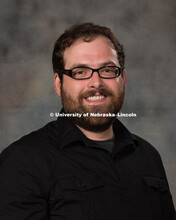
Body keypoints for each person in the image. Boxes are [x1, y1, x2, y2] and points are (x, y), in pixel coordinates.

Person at [0, 23, 175, 220]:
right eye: (80, 72)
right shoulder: (24, 160)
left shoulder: (148, 156)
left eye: (108, 70)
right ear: (59, 84)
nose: (96, 83)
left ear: (123, 79)